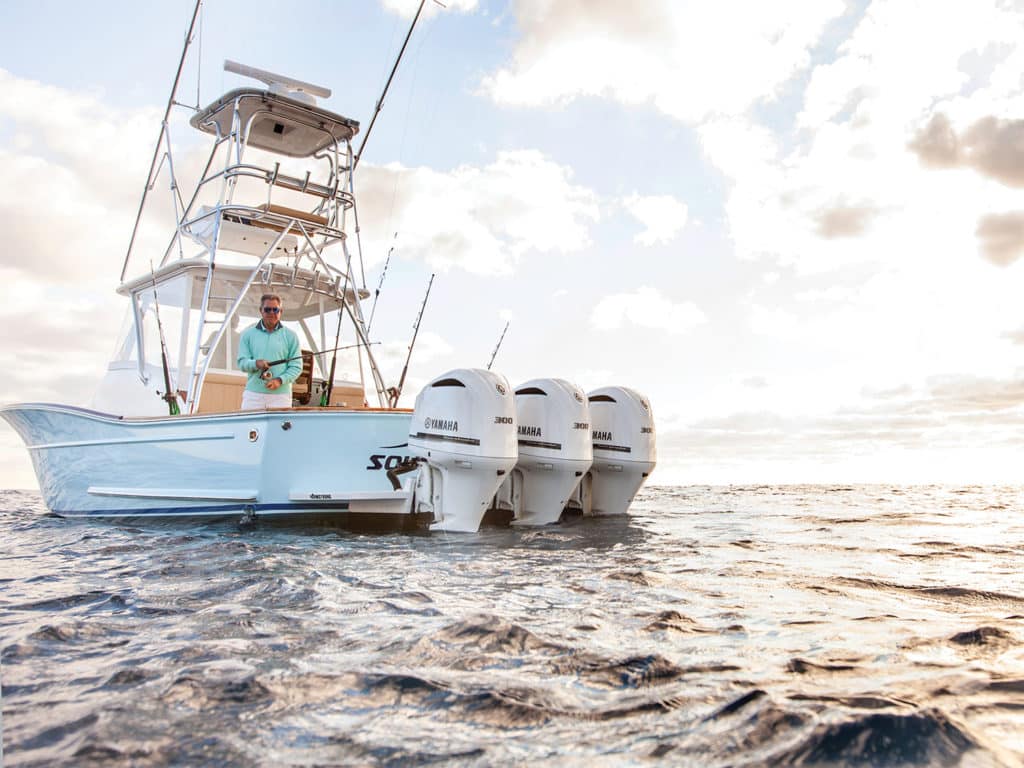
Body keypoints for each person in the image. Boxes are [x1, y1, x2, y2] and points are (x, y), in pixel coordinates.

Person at [237, 294, 302, 410]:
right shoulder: (247, 334)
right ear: (261, 311)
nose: (272, 313)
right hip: (253, 395)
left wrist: (280, 380)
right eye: (267, 309)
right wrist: (256, 364)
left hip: (281, 397)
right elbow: (241, 363)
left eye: (275, 309)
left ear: (281, 311)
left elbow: (296, 367)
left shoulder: (291, 336)